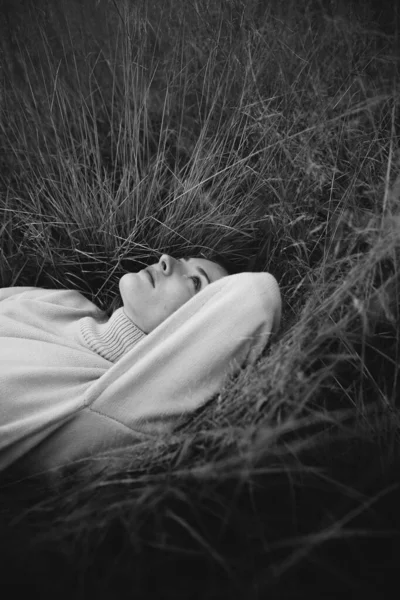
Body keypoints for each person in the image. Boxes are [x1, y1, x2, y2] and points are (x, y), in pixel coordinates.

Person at [0, 253, 282, 475]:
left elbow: (257, 294)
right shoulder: (66, 302)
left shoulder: (112, 404)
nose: (165, 260)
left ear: (202, 327)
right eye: (183, 260)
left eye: (196, 282)